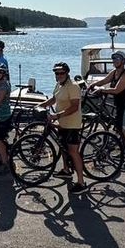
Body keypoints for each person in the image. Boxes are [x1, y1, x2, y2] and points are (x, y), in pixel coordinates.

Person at [38, 61, 86, 195]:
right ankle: (66, 170)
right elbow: (53, 100)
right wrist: (39, 106)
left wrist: (56, 115)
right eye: (56, 73)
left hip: (72, 123)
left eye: (61, 73)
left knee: (73, 152)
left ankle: (81, 182)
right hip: (63, 123)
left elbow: (74, 106)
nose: (58, 75)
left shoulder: (73, 86)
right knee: (63, 146)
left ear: (67, 73)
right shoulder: (59, 85)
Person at [87, 50, 125, 172]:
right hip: (121, 106)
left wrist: (101, 90)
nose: (115, 61)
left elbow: (116, 90)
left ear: (123, 61)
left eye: (118, 59)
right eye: (113, 58)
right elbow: (104, 81)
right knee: (120, 129)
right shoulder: (114, 72)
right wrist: (92, 85)